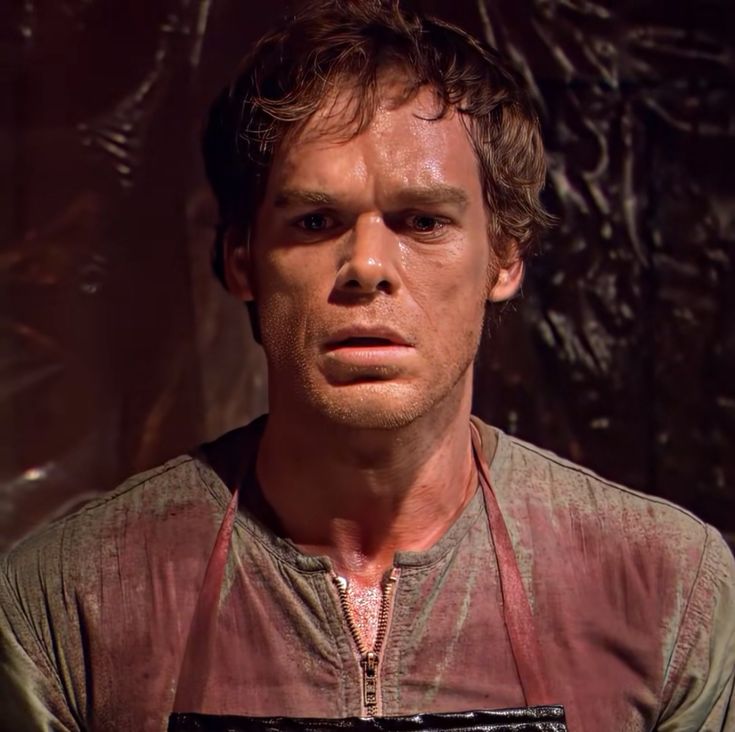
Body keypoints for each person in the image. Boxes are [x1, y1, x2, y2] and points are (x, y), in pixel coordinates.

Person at [2, 1, 734, 730]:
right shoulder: (71, 603)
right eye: (316, 222)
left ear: (504, 258)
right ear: (242, 259)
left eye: (423, 221)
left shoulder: (665, 593)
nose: (367, 265)